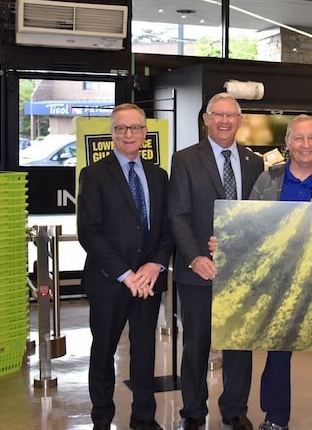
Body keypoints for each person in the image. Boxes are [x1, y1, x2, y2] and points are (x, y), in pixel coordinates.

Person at [168, 92, 264, 430]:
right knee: (196, 343)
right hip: (197, 272)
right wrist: (195, 256)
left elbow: (258, 216)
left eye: (231, 115)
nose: (224, 121)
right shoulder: (184, 159)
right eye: (217, 114)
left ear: (239, 121)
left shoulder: (254, 163)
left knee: (239, 343)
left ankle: (235, 410)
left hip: (241, 272)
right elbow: (177, 214)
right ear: (206, 119)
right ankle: (193, 412)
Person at [77, 103, 174, 430]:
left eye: (135, 128)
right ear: (112, 133)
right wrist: (126, 274)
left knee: (145, 352)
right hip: (109, 282)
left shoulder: (159, 177)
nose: (128, 134)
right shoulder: (93, 175)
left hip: (148, 282)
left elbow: (167, 230)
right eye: (121, 128)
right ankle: (101, 419)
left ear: (145, 134)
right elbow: (89, 232)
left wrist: (155, 266)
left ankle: (143, 418)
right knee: (103, 353)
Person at [250, 115, 312, 430]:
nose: (305, 145)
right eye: (298, 138)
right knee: (277, 353)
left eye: (311, 138)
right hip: (279, 283)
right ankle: (275, 418)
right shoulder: (268, 181)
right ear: (288, 143)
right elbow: (251, 225)